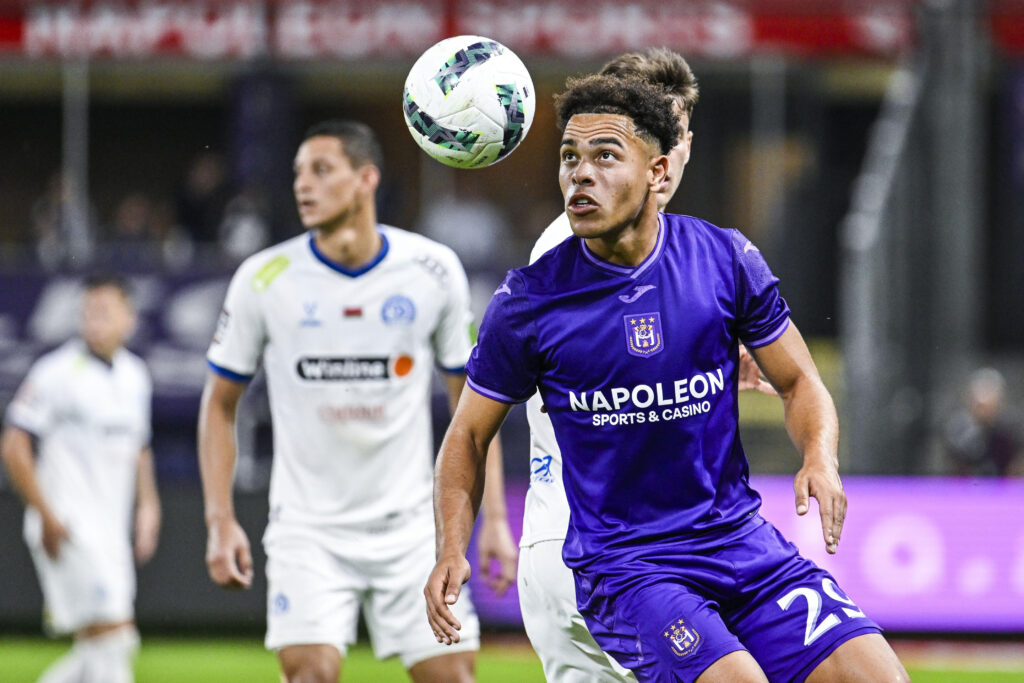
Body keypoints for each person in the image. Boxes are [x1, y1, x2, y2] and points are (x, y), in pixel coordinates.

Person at [426, 76, 910, 682]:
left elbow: (800, 381)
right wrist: (452, 546)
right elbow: (467, 436)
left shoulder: (723, 258)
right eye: (569, 157)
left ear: (658, 172)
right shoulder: (529, 302)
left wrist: (819, 456)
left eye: (605, 155)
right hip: (630, 568)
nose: (580, 173)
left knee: (880, 678)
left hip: (740, 543)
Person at [198, 119, 517, 683]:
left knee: (454, 678)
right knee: (309, 675)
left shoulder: (431, 269)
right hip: (307, 528)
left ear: (366, 178)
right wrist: (221, 521)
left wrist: (493, 521)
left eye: (321, 170)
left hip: (413, 528)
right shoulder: (264, 277)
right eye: (298, 173)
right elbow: (219, 405)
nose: (303, 185)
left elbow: (472, 411)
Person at [517, 48, 775, 683]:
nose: (676, 149)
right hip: (620, 555)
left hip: (560, 544)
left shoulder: (602, 244)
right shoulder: (586, 249)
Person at [1, 274, 161, 683]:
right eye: (88, 311)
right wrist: (46, 514)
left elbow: (138, 447)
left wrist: (149, 505)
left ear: (129, 317)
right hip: (70, 526)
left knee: (103, 647)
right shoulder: (56, 372)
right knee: (113, 641)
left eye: (104, 311)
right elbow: (14, 445)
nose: (94, 320)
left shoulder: (135, 375)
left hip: (111, 531)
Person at [943, 367, 1022, 477]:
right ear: (970, 401)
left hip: (1003, 489)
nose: (984, 411)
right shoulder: (958, 430)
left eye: (990, 404)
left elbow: (1016, 467)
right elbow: (956, 469)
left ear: (1000, 402)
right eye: (980, 406)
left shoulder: (1010, 428)